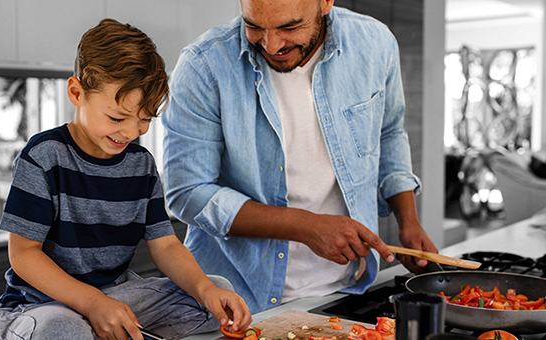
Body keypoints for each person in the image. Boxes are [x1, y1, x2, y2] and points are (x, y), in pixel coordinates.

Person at [162, 0, 439, 314]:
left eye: (289, 27)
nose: (271, 44)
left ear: (325, 3)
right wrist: (306, 227)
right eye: (254, 26)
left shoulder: (375, 43)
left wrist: (409, 220)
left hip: (347, 291)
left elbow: (388, 132)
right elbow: (187, 194)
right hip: (236, 301)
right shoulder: (203, 65)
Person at [0, 18, 251, 340]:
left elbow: (166, 244)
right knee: (62, 329)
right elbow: (24, 255)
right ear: (77, 93)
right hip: (42, 305)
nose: (131, 132)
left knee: (215, 294)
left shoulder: (141, 165)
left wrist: (204, 288)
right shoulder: (45, 156)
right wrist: (92, 302)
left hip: (115, 296)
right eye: (117, 117)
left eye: (144, 120)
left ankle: (107, 328)